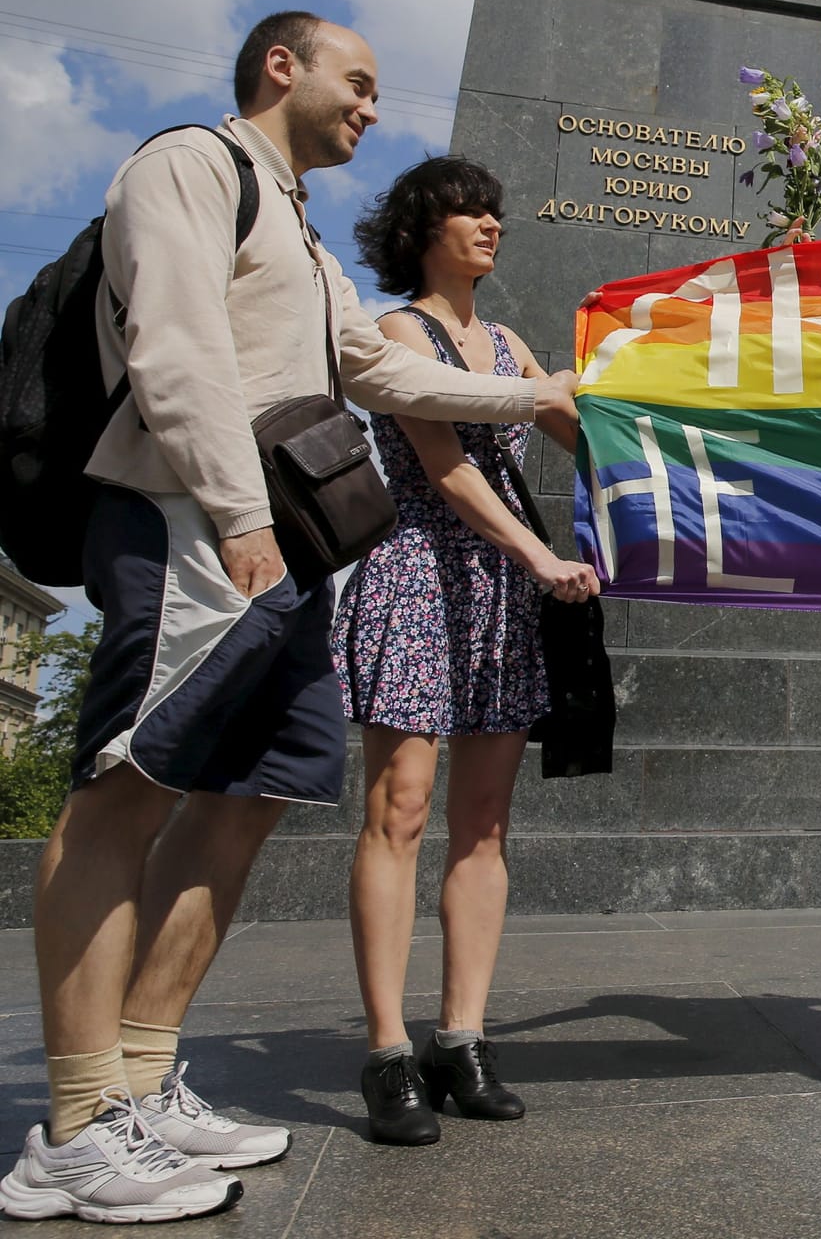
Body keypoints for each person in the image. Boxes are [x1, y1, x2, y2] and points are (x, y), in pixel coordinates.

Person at [0, 13, 580, 1225]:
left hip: (287, 556)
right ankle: (75, 1120)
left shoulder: (305, 240)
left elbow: (389, 375)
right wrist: (234, 512)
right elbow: (176, 346)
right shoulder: (188, 166)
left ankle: (147, 1078)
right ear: (284, 66)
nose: (371, 106)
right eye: (357, 83)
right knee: (127, 789)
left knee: (249, 799)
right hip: (194, 526)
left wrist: (536, 391)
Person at [332, 156, 599, 1146]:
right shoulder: (400, 328)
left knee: (484, 824)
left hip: (500, 596)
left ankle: (464, 1036)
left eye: (495, 207)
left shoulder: (508, 340)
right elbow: (443, 466)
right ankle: (388, 1048)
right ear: (423, 227)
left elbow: (584, 434)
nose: (490, 222)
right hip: (420, 574)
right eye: (467, 209)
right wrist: (538, 552)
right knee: (399, 810)